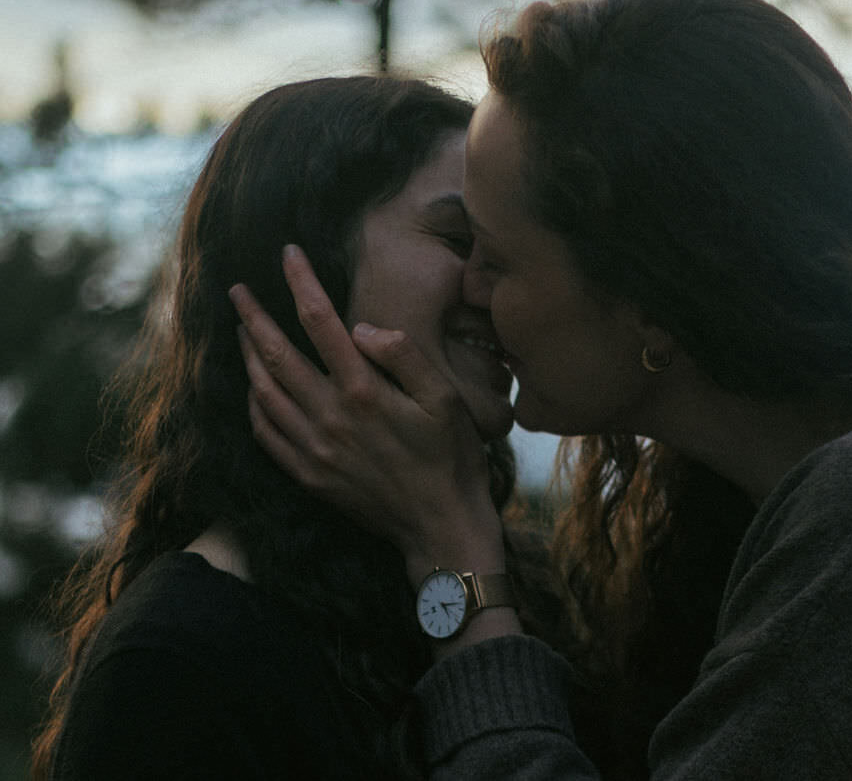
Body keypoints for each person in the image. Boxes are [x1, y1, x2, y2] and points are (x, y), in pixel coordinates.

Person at [231, 0, 852, 778]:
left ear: (649, 301)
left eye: (497, 258)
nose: (470, 287)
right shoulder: (836, 489)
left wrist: (452, 555)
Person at [31, 75, 522, 780]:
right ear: (306, 275)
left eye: (506, 250)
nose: (493, 284)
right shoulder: (180, 661)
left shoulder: (497, 566)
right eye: (457, 238)